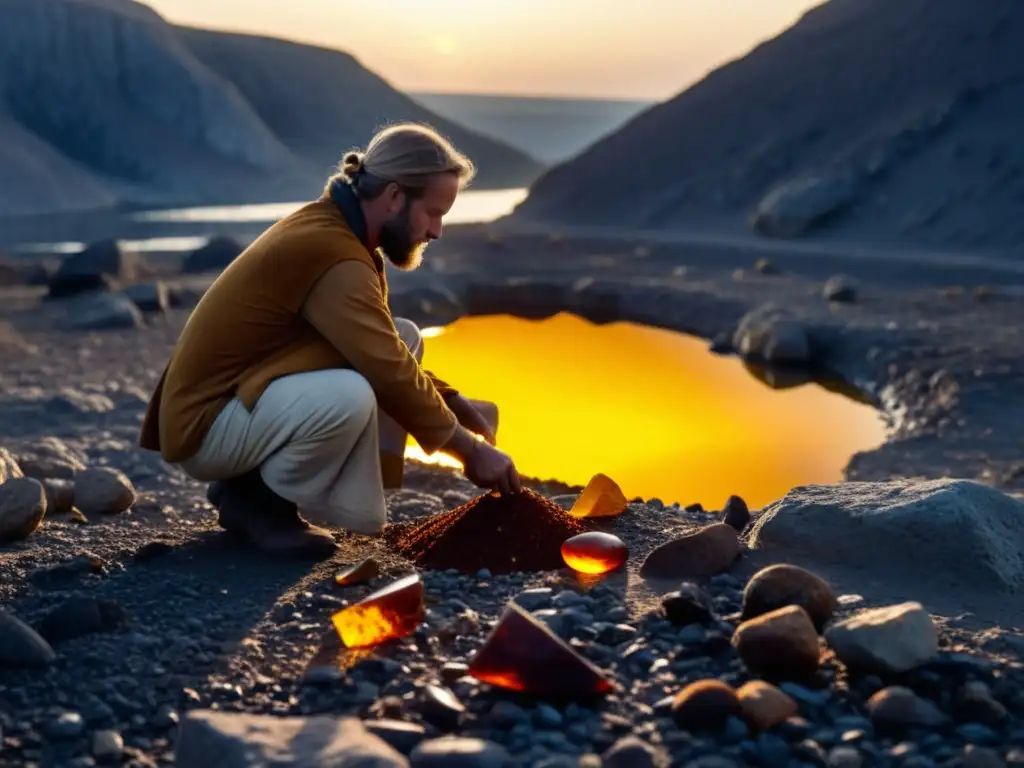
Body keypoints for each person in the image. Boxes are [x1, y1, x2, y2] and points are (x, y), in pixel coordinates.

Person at [138, 123, 522, 559]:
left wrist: (450, 400)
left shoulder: (337, 232)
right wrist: (469, 452)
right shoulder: (335, 254)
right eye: (433, 212)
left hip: (235, 401)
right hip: (206, 424)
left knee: (404, 337)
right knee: (349, 394)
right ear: (395, 196)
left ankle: (243, 488)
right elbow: (385, 369)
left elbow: (378, 347)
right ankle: (260, 505)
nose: (436, 231)